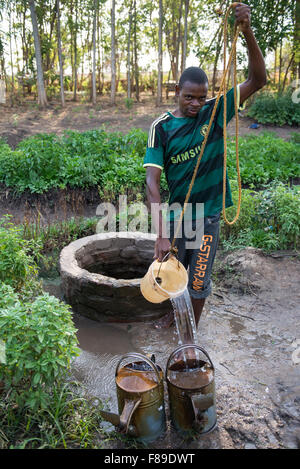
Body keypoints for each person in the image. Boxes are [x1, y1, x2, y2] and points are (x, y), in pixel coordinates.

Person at [143, 3, 266, 330]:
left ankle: (190, 337)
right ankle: (172, 317)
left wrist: (248, 31)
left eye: (201, 97)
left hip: (208, 216)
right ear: (177, 93)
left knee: (198, 281)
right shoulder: (162, 127)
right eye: (189, 97)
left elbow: (258, 78)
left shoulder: (215, 112)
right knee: (170, 273)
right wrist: (161, 234)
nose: (196, 104)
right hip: (178, 216)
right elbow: (152, 184)